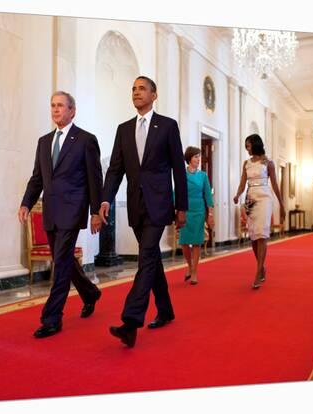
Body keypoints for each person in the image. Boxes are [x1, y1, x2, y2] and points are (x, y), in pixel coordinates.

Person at [99, 76, 188, 348]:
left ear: (154, 94)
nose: (137, 93)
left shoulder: (168, 126)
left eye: (142, 88)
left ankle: (131, 321)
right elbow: (115, 169)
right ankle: (166, 310)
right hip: (135, 205)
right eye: (134, 89)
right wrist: (105, 200)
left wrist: (181, 206)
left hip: (160, 203)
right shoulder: (123, 129)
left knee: (146, 256)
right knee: (152, 260)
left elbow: (178, 169)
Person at [19, 91, 103, 338]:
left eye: (60, 106)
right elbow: (37, 178)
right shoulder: (44, 142)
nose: (55, 110)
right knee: (63, 259)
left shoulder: (86, 140)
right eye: (53, 106)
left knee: (62, 261)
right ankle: (90, 292)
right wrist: (26, 202)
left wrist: (96, 212)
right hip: (51, 210)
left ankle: (52, 317)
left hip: (73, 209)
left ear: (72, 110)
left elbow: (94, 179)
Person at [233, 134, 286, 289]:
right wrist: (237, 195)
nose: (246, 149)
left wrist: (282, 205)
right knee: (254, 237)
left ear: (255, 145)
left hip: (264, 198)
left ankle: (257, 272)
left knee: (261, 234)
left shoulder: (268, 163)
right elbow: (242, 184)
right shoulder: (246, 164)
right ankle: (262, 267)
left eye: (248, 146)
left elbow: (275, 185)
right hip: (250, 199)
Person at [178, 146, 214, 285]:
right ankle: (189, 265)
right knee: (185, 242)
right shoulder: (182, 175)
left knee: (197, 242)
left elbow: (208, 196)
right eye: (196, 157)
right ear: (189, 159)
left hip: (199, 211)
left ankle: (194, 272)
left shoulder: (203, 176)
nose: (198, 159)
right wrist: (176, 210)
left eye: (199, 156)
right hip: (185, 210)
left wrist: (210, 213)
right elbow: (177, 193)